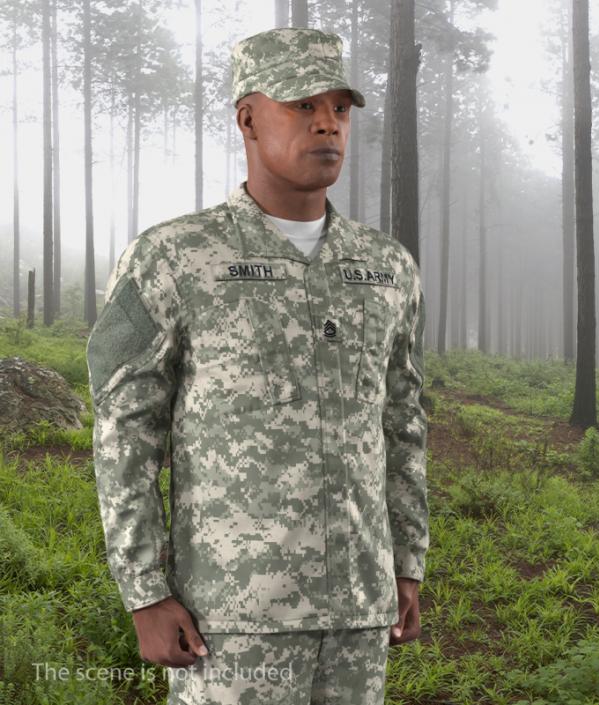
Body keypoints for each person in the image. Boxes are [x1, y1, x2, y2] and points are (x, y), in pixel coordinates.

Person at [85, 27, 428, 704]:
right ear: (248, 117)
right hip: (232, 618)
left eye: (339, 106)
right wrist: (144, 590)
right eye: (302, 104)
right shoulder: (176, 259)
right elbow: (125, 432)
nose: (327, 122)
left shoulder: (386, 268)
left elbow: (403, 421)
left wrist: (406, 562)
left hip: (359, 613)